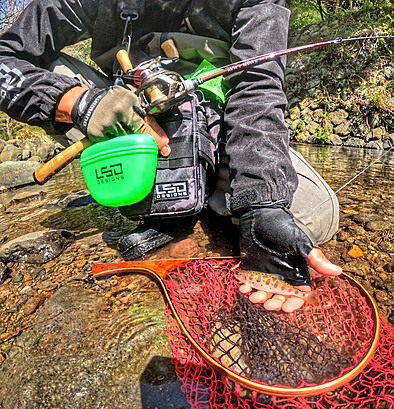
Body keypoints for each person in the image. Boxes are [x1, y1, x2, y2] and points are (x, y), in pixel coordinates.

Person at [0, 0, 342, 312]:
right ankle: (168, 193)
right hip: (122, 119)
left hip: (218, 125)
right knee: (46, 68)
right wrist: (77, 103)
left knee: (314, 215)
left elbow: (259, 90)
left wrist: (263, 204)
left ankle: (195, 192)